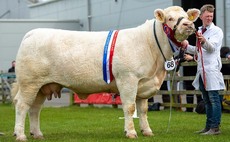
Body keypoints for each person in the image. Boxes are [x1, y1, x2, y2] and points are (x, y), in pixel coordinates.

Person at [184, 4, 225, 135]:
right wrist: (186, 46)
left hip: (212, 69)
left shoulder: (217, 31)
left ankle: (215, 127)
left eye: (211, 16)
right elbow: (198, 51)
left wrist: (203, 41)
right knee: (206, 100)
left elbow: (212, 48)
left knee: (214, 99)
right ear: (201, 16)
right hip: (201, 70)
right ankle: (208, 126)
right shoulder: (201, 30)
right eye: (207, 16)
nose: (209, 18)